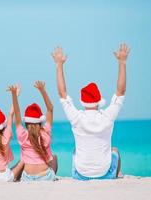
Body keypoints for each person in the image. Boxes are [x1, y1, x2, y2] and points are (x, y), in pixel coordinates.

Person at [52, 44, 130, 180]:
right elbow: (120, 92)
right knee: (115, 151)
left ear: (82, 101)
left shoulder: (76, 117)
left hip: (80, 174)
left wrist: (59, 65)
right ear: (99, 101)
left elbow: (62, 93)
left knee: (76, 151)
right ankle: (116, 175)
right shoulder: (107, 117)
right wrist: (122, 63)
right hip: (105, 173)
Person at [8, 81, 58, 181]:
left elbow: (16, 112)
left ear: (26, 122)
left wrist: (14, 95)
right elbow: (50, 109)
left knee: (24, 161)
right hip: (45, 176)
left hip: (27, 177)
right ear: (40, 121)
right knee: (54, 157)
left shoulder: (22, 135)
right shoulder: (45, 133)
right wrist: (42, 91)